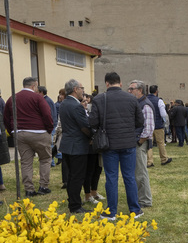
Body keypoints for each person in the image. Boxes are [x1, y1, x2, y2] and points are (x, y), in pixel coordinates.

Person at [90, 71, 143, 220]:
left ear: (106, 84)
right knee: (129, 177)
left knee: (111, 178)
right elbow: (140, 121)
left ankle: (111, 211)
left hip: (109, 145)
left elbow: (93, 122)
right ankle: (135, 210)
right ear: (120, 83)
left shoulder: (99, 99)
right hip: (128, 143)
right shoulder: (132, 99)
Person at [4, 76, 55, 197]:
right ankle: (43, 186)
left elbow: (6, 117)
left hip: (20, 133)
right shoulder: (38, 97)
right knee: (45, 159)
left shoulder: (12, 98)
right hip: (39, 132)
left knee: (26, 162)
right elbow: (47, 114)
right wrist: (49, 129)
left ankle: (29, 189)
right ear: (34, 85)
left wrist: (12, 130)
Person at [58, 79, 92, 214]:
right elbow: (84, 126)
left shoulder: (64, 103)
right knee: (77, 176)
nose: (83, 91)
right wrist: (91, 136)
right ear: (75, 89)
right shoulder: (76, 106)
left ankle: (73, 201)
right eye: (82, 88)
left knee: (72, 176)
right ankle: (75, 205)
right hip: (77, 146)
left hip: (67, 144)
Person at [131, 80, 155, 208]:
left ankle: (145, 200)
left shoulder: (145, 105)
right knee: (137, 172)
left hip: (140, 143)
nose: (129, 91)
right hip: (138, 142)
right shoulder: (139, 104)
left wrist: (139, 141)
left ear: (139, 90)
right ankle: (141, 197)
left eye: (132, 89)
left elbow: (149, 128)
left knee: (141, 172)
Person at [82, 93, 103, 204]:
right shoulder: (81, 113)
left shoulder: (90, 112)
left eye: (86, 101)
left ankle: (94, 191)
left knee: (97, 169)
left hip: (96, 144)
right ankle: (87, 194)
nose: (86, 102)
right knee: (89, 171)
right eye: (83, 101)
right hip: (87, 145)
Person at [147, 84, 171, 166]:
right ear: (156, 91)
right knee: (160, 142)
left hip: (148, 125)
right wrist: (165, 123)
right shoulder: (159, 101)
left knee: (149, 143)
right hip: (158, 125)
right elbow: (163, 114)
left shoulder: (145, 100)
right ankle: (164, 159)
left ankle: (149, 161)